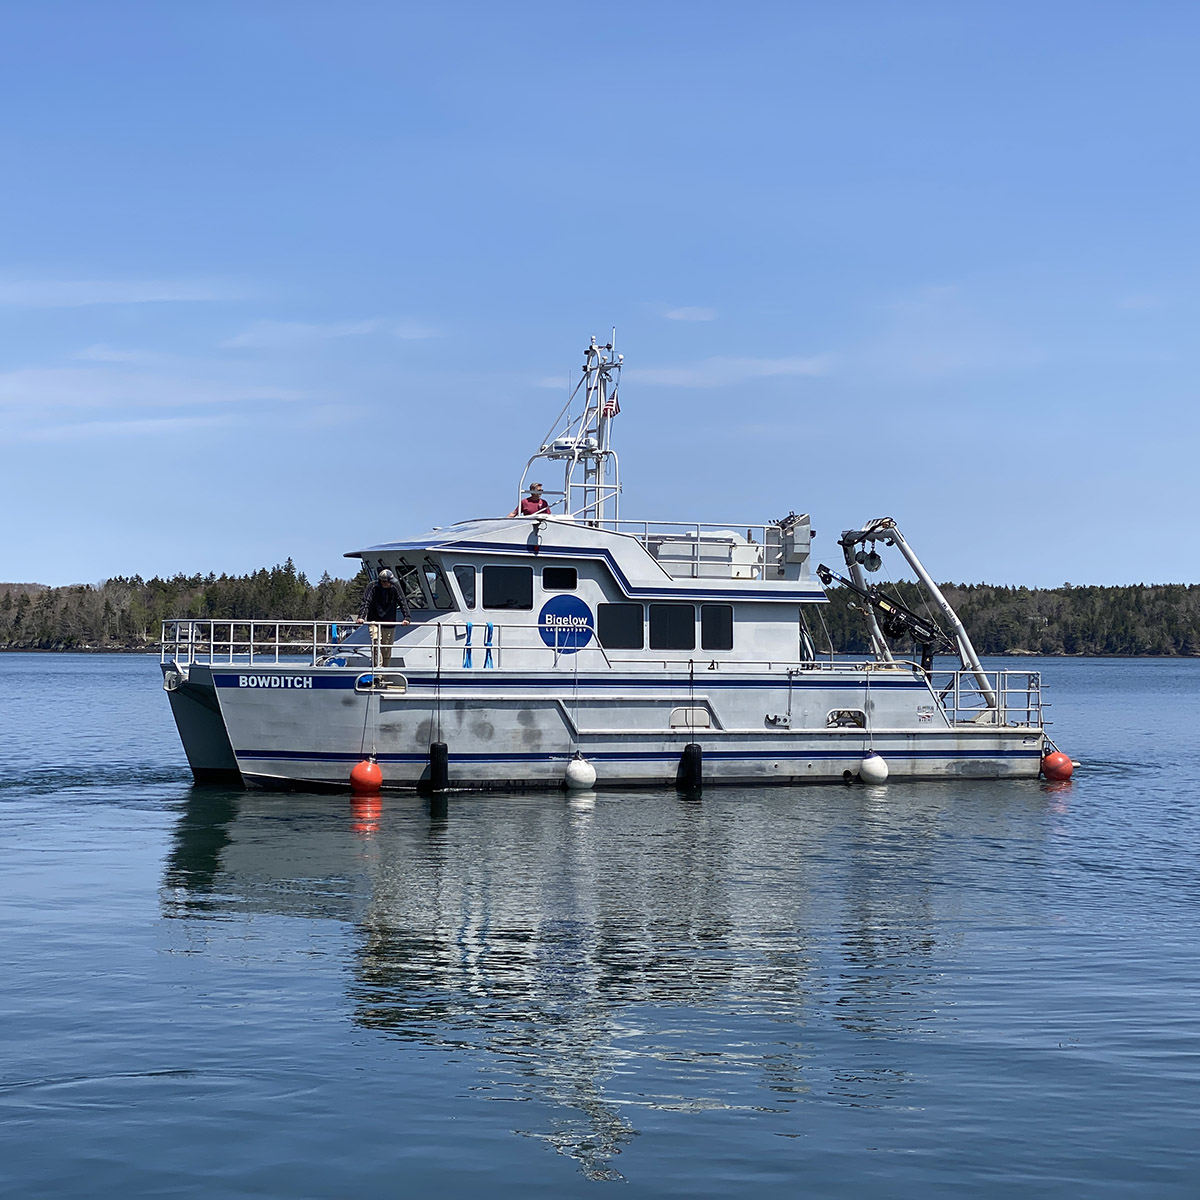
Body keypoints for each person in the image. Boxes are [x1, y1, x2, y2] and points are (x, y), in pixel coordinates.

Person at [356, 569, 411, 666]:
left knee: (386, 651)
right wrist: (361, 616)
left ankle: (385, 671)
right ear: (383, 582)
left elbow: (402, 601)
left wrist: (407, 617)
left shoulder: (395, 586)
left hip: (390, 622)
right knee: (376, 644)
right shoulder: (373, 586)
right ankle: (377, 671)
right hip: (374, 621)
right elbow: (366, 602)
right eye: (389, 582)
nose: (391, 584)